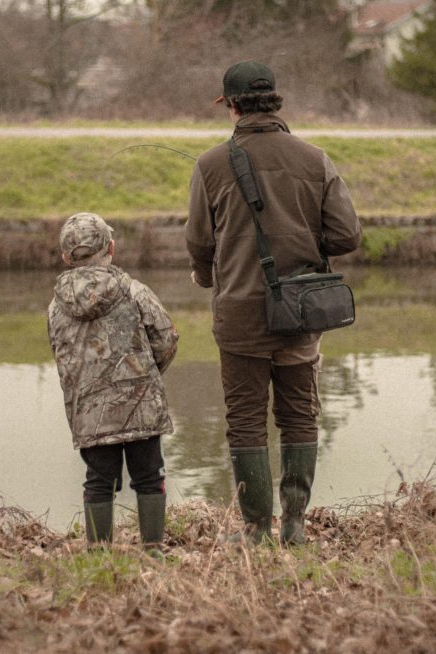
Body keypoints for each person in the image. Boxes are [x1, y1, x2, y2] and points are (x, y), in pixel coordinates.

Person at [186, 61, 362, 545]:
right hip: (302, 311)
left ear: (232, 106)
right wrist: (306, 246)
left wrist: (207, 277)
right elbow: (347, 235)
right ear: (275, 102)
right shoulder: (315, 159)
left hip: (239, 313)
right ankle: (296, 526)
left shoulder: (209, 165)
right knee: (299, 414)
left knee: (245, 419)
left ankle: (257, 530)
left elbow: (199, 243)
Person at [48, 212, 178, 550]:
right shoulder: (134, 291)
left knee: (99, 482)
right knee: (150, 479)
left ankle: (99, 555)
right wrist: (142, 376)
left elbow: (62, 359)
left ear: (66, 257)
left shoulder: (55, 306)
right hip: (140, 405)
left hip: (90, 412)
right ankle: (153, 553)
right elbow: (166, 340)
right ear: (112, 248)